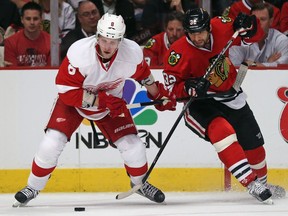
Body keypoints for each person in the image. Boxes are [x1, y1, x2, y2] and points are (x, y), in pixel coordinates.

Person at [12, 13, 177, 207]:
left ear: (120, 41)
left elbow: (144, 74)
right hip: (74, 104)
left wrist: (157, 94)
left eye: (113, 42)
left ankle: (139, 183)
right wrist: (102, 100)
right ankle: (33, 186)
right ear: (97, 36)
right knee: (51, 143)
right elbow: (66, 91)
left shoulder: (131, 53)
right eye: (104, 40)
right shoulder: (80, 54)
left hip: (111, 105)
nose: (107, 47)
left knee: (134, 147)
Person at [162, 8, 286, 204]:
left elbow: (255, 36)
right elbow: (171, 89)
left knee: (255, 146)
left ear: (209, 27)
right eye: (192, 33)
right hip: (200, 103)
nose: (197, 37)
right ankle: (251, 183)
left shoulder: (223, 25)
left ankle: (262, 183)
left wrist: (250, 27)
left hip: (229, 94)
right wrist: (189, 87)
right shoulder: (176, 53)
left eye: (201, 32)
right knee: (223, 131)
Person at [229, 2, 288, 67]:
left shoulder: (281, 40)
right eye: (255, 19)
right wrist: (268, 64)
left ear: (271, 21)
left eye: (262, 19)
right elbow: (233, 67)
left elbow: (283, 66)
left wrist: (253, 64)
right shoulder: (241, 40)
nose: (258, 23)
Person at [4, 1, 50, 67]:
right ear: (22, 20)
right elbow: (12, 73)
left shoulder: (51, 42)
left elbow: (52, 71)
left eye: (35, 19)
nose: (32, 22)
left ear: (41, 19)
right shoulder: (10, 42)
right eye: (28, 19)